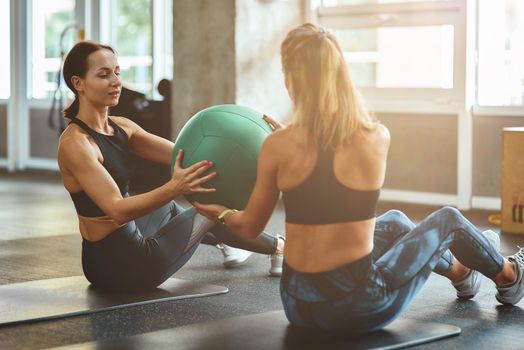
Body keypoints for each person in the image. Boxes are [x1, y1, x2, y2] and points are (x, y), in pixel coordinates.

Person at [194, 23, 524, 332]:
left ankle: (460, 271)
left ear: (290, 79)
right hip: (358, 307)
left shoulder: (278, 146)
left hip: (298, 306)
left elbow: (249, 226)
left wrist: (220, 212)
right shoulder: (374, 137)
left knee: (395, 221)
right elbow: (333, 174)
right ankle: (509, 275)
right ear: (341, 75)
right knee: (449, 220)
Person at [57, 41, 284, 292]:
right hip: (127, 266)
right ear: (78, 83)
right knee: (209, 209)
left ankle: (228, 239)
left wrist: (269, 149)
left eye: (117, 72)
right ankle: (280, 247)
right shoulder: (76, 144)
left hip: (111, 253)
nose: (116, 81)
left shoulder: (122, 126)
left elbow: (187, 157)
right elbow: (117, 209)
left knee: (170, 206)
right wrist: (175, 186)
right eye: (103, 74)